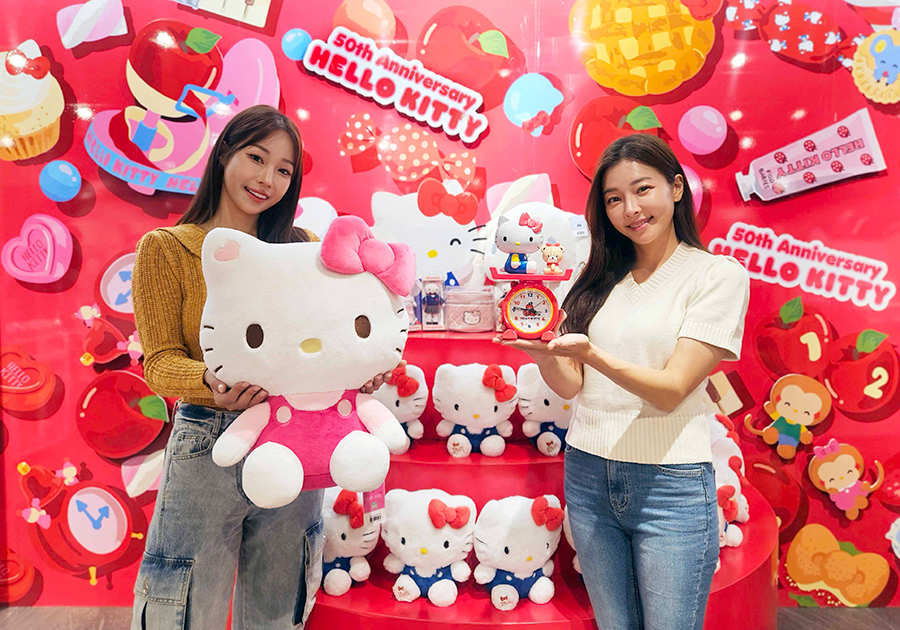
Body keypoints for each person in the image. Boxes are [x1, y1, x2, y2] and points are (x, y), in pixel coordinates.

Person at [130, 105, 396, 629]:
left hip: (300, 435)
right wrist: (206, 380)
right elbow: (158, 362)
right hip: (207, 441)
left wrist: (361, 369)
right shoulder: (167, 249)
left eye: (283, 170)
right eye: (256, 158)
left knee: (281, 595)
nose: (267, 179)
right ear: (223, 154)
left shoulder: (304, 251)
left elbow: (338, 337)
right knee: (184, 599)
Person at [499, 133, 750, 629]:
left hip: (671, 484)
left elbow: (673, 388)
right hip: (588, 473)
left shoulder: (716, 275)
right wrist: (541, 353)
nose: (630, 209)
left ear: (676, 188)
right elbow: (572, 386)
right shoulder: (596, 277)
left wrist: (593, 354)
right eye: (614, 199)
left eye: (642, 190)